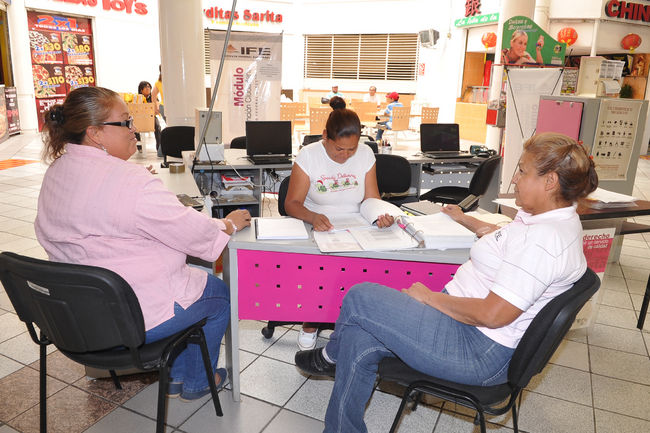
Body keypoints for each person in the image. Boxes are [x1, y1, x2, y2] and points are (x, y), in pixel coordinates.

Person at [295, 132, 598, 433]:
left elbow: (493, 314)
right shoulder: (550, 218)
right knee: (359, 338)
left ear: (550, 181)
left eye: (522, 171)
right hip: (467, 331)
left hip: (476, 349)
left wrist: (429, 297)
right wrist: (466, 219)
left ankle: (329, 357)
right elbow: (507, 240)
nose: (515, 179)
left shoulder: (543, 242)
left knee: (359, 297)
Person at [35, 86, 251, 402]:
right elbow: (193, 232)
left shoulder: (56, 171)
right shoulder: (130, 181)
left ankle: (175, 378)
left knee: (185, 283)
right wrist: (227, 224)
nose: (134, 128)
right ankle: (195, 382)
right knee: (216, 294)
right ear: (95, 133)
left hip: (75, 318)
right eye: (125, 122)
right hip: (127, 320)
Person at [285, 107, 394, 350]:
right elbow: (291, 203)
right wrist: (313, 217)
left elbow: (371, 198)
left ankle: (355, 322)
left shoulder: (365, 154)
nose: (345, 155)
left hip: (357, 223)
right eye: (339, 149)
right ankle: (311, 322)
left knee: (368, 269)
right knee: (323, 269)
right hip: (317, 223)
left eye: (351, 149)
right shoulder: (309, 155)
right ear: (325, 136)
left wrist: (379, 215)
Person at [135, 81, 162, 155]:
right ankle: (140, 147)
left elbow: (156, 109)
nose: (148, 88)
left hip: (151, 117)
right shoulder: (137, 98)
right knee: (134, 125)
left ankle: (159, 147)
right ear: (141, 90)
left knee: (157, 126)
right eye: (145, 87)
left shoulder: (153, 97)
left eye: (149, 87)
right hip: (140, 118)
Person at [152, 65, 165, 157]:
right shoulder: (171, 80)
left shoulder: (159, 82)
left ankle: (161, 151)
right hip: (166, 108)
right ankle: (161, 151)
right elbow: (153, 95)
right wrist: (156, 107)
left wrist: (156, 107)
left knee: (170, 127)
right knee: (171, 128)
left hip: (162, 107)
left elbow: (153, 95)